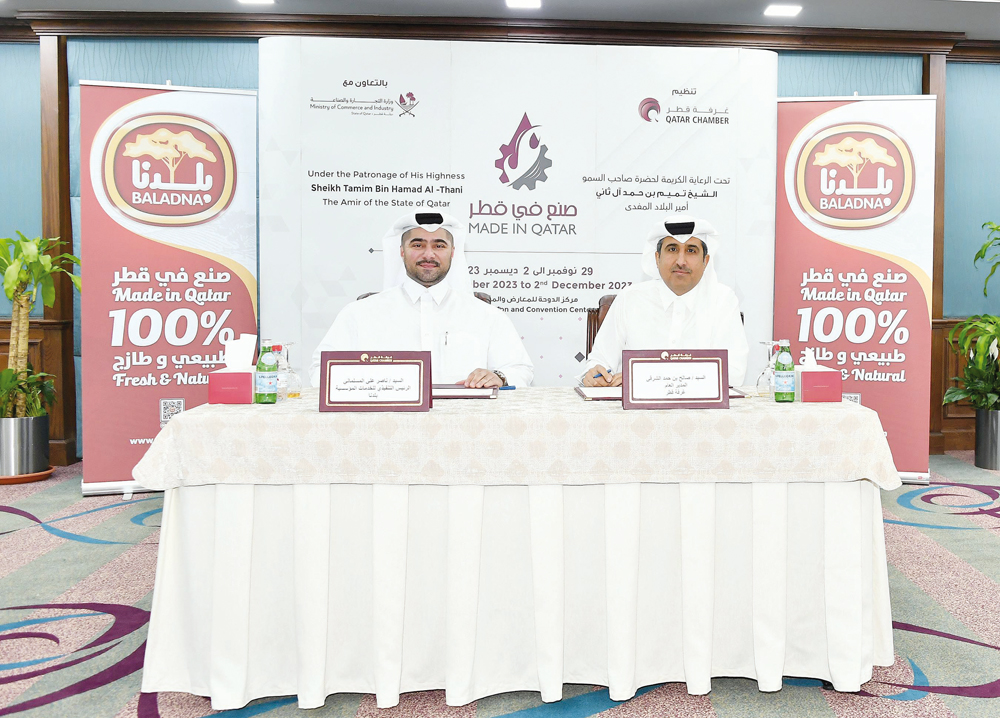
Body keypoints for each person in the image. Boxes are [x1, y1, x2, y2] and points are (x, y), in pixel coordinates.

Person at [309, 212, 533, 389]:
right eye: (418, 245)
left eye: (439, 245)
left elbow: (521, 369)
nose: (428, 254)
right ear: (401, 252)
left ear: (453, 252)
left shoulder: (485, 315)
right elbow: (321, 371)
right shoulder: (360, 313)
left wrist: (498, 376)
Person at [582, 215, 748, 387]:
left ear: (706, 261)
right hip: (634, 413)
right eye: (672, 249)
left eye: (691, 250)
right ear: (657, 258)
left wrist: (643, 376)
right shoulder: (630, 299)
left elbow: (733, 375)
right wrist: (595, 373)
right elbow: (599, 360)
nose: (681, 261)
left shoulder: (723, 301)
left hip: (703, 413)